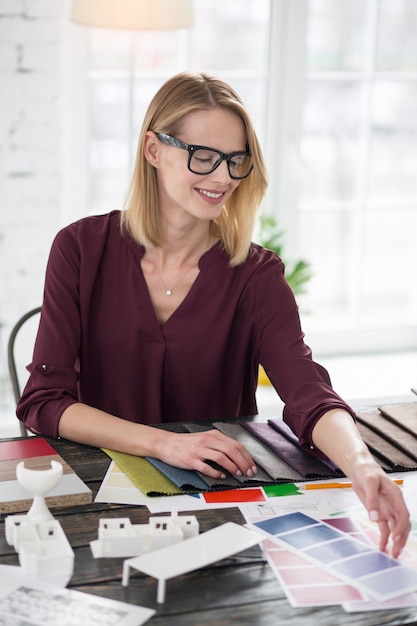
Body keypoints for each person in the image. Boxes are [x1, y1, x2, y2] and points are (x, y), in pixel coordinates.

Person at [17, 71, 409, 556]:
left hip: (219, 506)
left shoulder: (257, 274)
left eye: (235, 160)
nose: (222, 177)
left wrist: (364, 466)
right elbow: (44, 402)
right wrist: (164, 444)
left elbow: (308, 392)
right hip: (98, 501)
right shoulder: (80, 248)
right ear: (153, 150)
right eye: (203, 157)